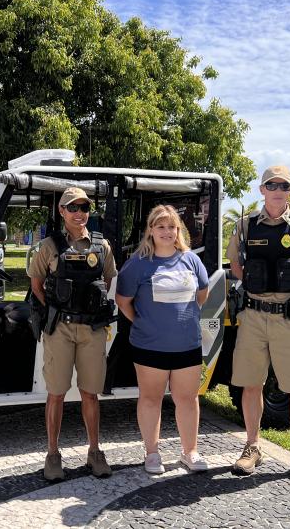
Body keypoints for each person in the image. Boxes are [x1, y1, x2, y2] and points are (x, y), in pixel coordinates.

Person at [225, 165, 290, 486]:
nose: (278, 190)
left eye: (284, 185)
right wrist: (258, 288)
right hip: (254, 317)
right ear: (262, 190)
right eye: (272, 185)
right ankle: (252, 447)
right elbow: (235, 264)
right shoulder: (245, 225)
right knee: (250, 384)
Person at [28, 187, 116, 481]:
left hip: (92, 329)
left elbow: (106, 282)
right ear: (62, 211)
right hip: (61, 330)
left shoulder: (102, 246)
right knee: (56, 393)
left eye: (84, 207)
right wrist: (56, 310)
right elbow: (36, 286)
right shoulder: (49, 246)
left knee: (90, 393)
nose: (79, 213)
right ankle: (53, 455)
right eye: (73, 207)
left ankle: (95, 452)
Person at [115, 205, 210, 474]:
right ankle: (152, 453)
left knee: (188, 399)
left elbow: (201, 295)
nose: (167, 232)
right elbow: (123, 301)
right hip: (149, 346)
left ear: (178, 230)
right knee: (150, 399)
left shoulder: (191, 260)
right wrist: (144, 322)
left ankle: (190, 452)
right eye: (160, 226)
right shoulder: (138, 263)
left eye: (171, 227)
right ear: (151, 230)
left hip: (187, 345)